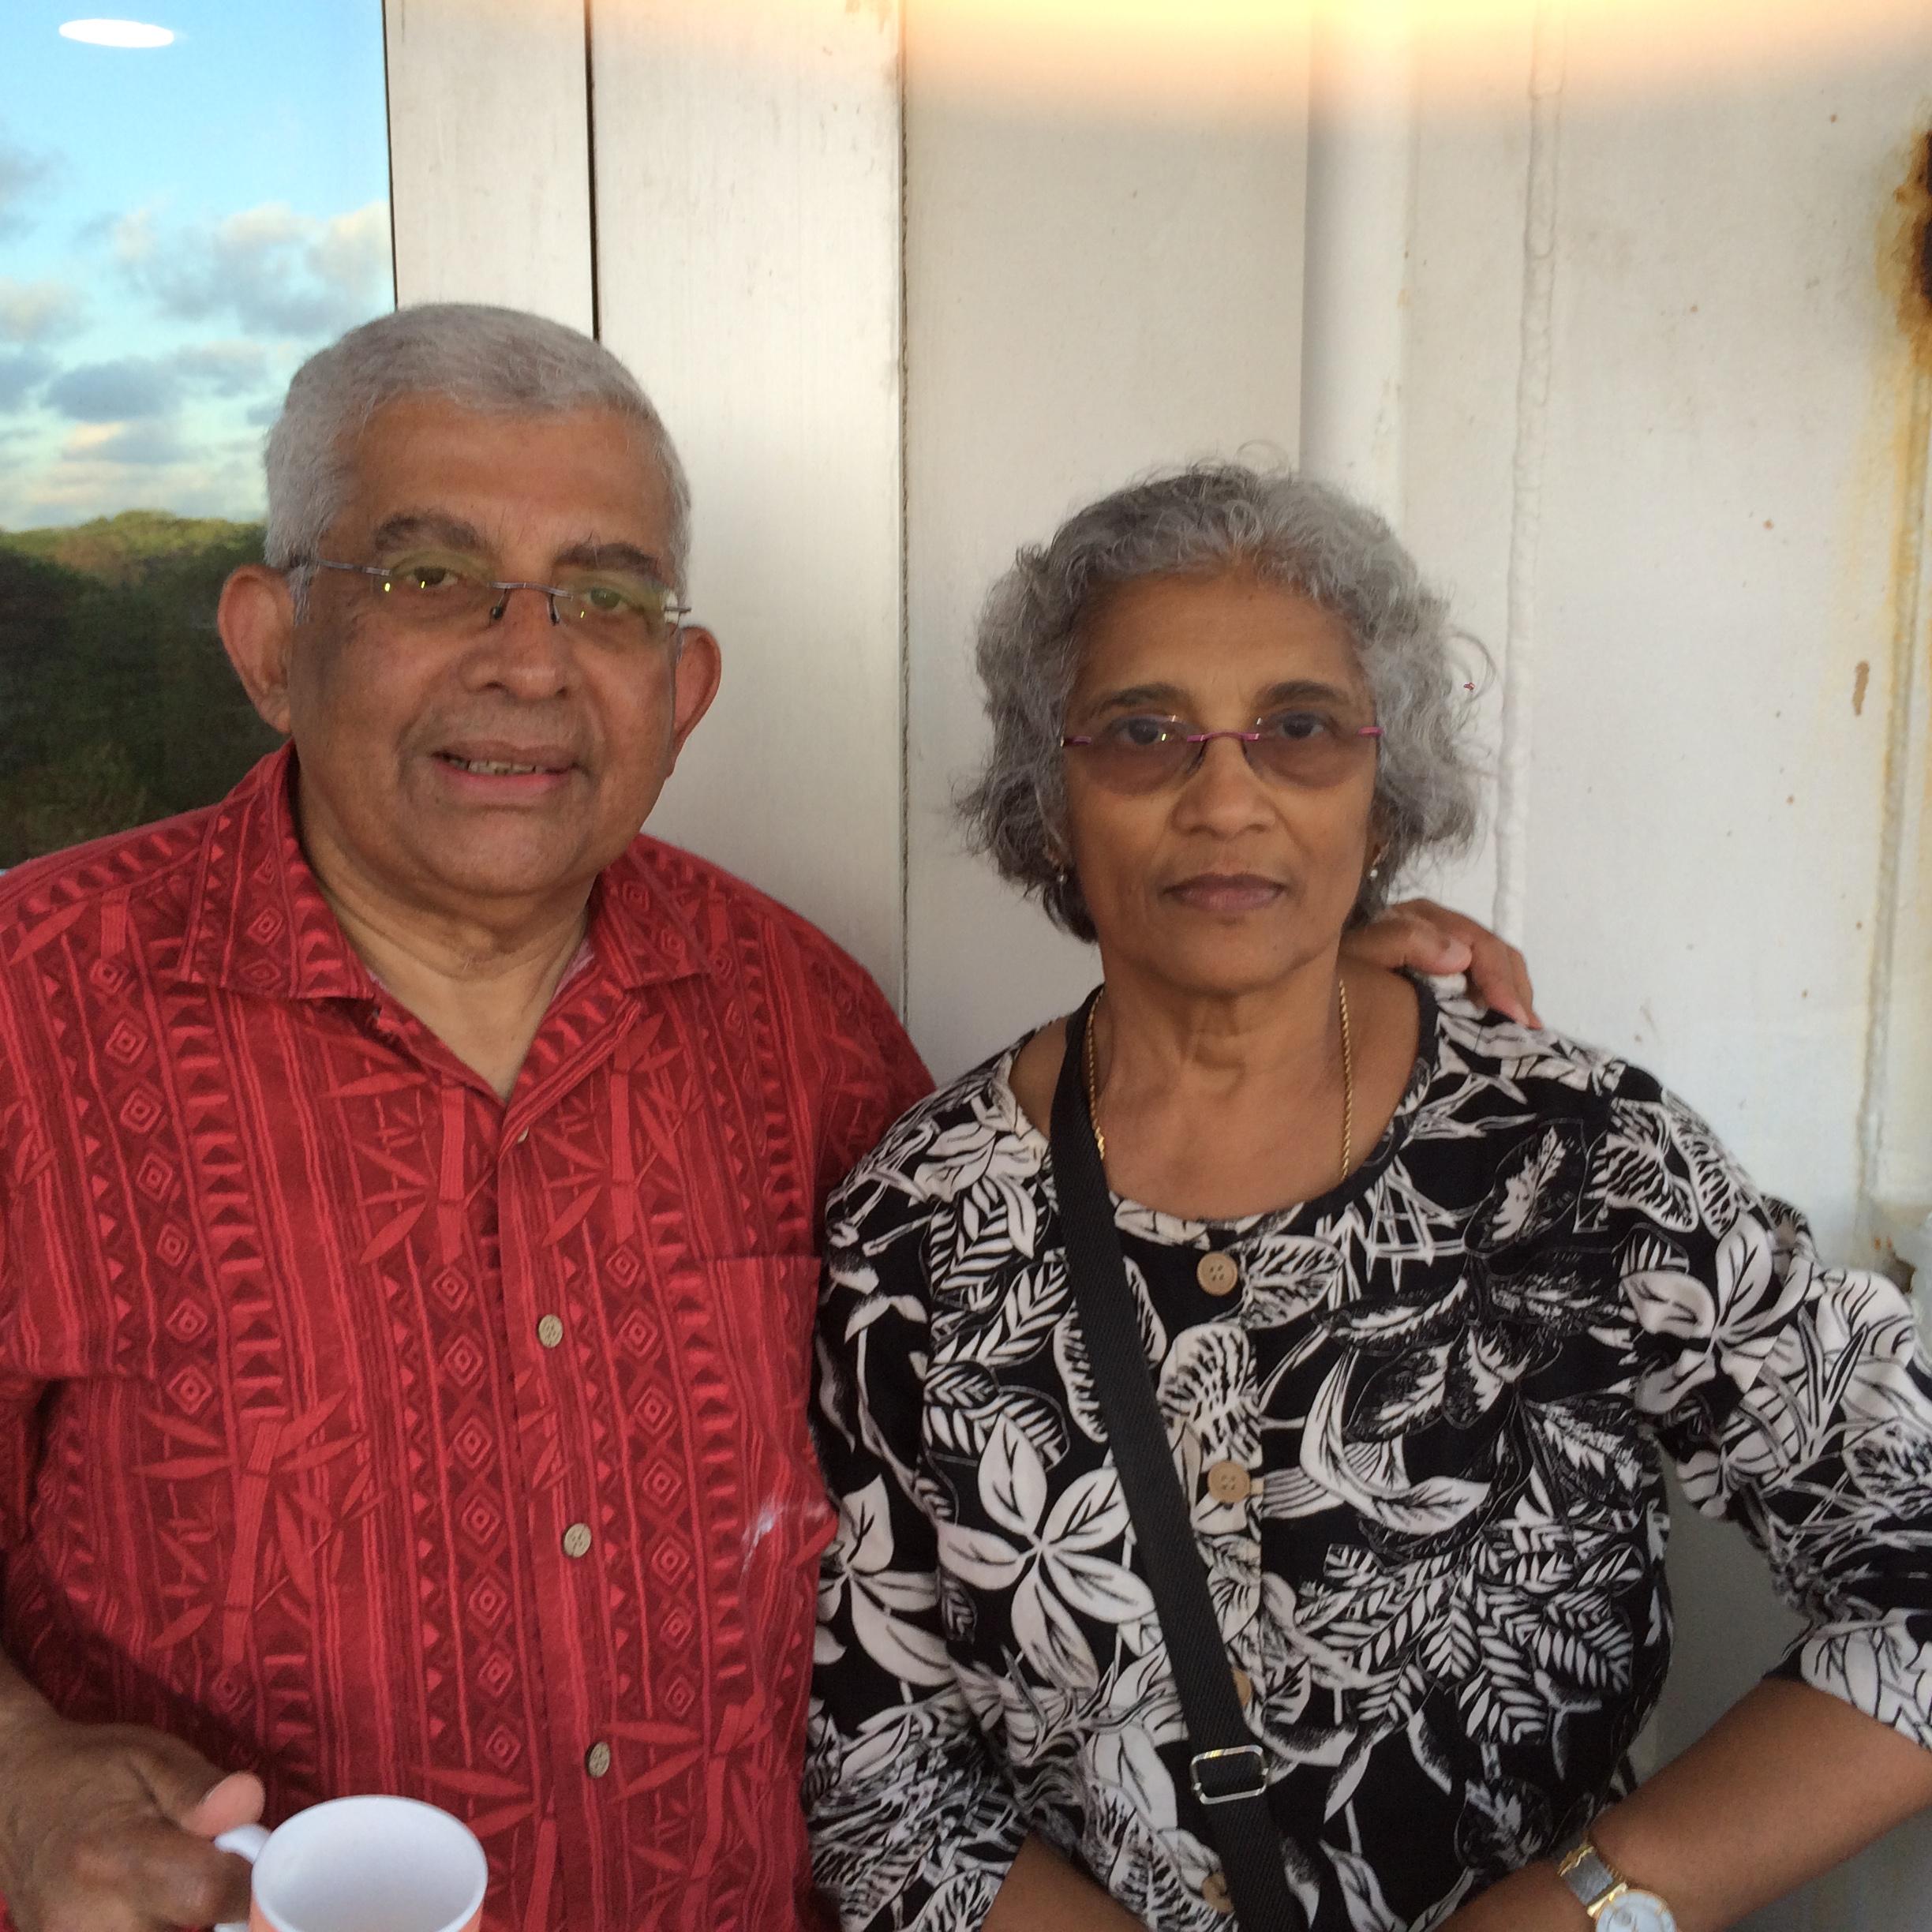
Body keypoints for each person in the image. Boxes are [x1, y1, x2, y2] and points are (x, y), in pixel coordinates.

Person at [0, 310, 1522, 1932]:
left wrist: (1289, 983)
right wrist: (17, 1769)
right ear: (268, 643)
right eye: (431, 578)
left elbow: (1051, 1358)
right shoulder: (33, 1014)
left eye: (605, 596)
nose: (529, 660)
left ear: (685, 686)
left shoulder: (804, 1026)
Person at [807, 463, 1932, 1932]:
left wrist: (1581, 1910)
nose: (1227, 797)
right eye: (1143, 733)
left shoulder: (1575, 1157)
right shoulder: (916, 1233)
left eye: (1300, 728)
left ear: (1381, 793)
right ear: (1051, 798)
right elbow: (885, 1785)